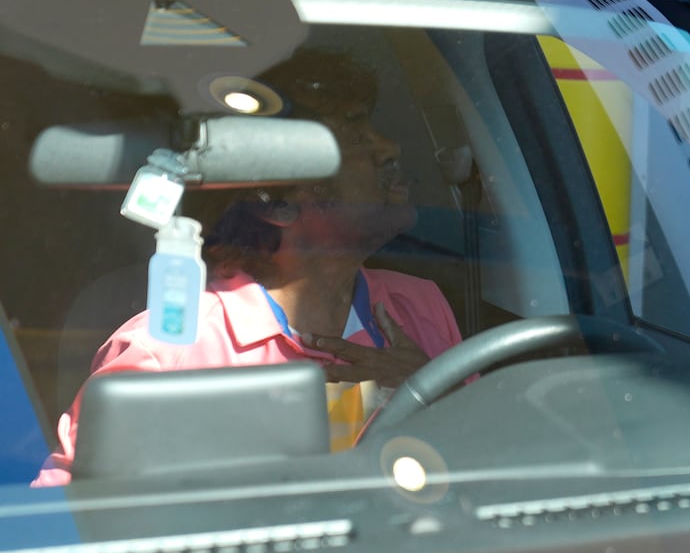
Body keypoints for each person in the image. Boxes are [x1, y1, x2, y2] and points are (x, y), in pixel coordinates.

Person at [36, 48, 462, 484]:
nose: (389, 148)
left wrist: (428, 387)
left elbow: (493, 462)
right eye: (354, 135)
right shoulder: (169, 350)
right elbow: (66, 515)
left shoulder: (420, 305)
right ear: (276, 205)